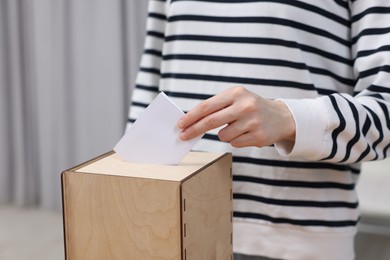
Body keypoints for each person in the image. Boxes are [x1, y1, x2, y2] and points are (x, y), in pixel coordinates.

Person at [128, 1, 390, 259]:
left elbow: (385, 114)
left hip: (293, 240)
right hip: (173, 228)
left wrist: (288, 118)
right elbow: (150, 88)